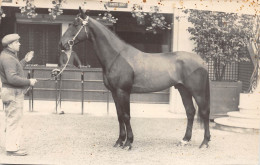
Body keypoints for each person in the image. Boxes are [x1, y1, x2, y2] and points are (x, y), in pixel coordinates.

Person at [0, 33, 37, 156]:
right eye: (17, 42)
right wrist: (29, 82)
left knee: (12, 119)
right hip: (12, 93)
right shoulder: (8, 58)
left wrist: (25, 60)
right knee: (14, 120)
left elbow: (15, 70)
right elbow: (12, 78)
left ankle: (12, 146)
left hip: (10, 92)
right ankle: (12, 149)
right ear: (10, 45)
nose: (19, 44)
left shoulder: (8, 56)